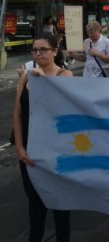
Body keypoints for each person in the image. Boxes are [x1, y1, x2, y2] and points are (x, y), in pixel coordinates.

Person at [13, 35, 73, 242]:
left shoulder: (65, 75)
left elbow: (61, 109)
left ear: (55, 51)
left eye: (43, 50)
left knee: (60, 203)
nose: (38, 54)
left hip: (57, 149)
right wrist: (20, 148)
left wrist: (43, 82)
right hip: (30, 148)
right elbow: (18, 115)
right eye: (34, 50)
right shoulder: (27, 76)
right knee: (35, 203)